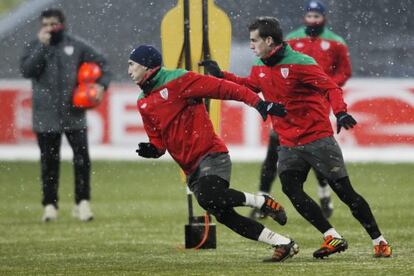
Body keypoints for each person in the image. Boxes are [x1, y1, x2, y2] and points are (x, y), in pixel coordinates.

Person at [200, 17, 391, 258]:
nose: (251, 45)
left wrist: (340, 112)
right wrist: (222, 75)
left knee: (345, 192)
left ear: (269, 40)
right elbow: (251, 85)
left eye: (254, 40)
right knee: (291, 189)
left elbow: (331, 87)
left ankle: (379, 240)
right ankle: (332, 236)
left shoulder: (301, 63)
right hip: (288, 142)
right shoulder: (260, 64)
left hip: (318, 138)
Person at [129, 45, 299, 262]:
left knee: (210, 197)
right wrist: (153, 150)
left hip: (211, 155)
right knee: (223, 214)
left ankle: (261, 201)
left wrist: (259, 103)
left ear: (147, 66)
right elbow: (159, 143)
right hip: (191, 168)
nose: (128, 70)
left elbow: (224, 88)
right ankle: (283, 243)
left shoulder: (180, 80)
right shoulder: (143, 102)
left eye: (131, 64)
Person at [250, 0, 352, 220]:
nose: (313, 20)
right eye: (310, 16)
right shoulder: (293, 40)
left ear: (324, 18)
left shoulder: (336, 42)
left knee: (314, 153)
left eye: (317, 17)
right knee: (272, 156)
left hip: (314, 107)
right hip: (286, 109)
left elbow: (343, 73)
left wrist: (321, 89)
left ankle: (324, 194)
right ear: (304, 17)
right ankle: (262, 198)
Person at [20, 9, 111, 222]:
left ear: (62, 24)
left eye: (53, 24)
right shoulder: (35, 46)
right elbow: (27, 71)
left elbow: (104, 64)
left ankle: (83, 203)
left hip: (74, 113)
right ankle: (50, 205)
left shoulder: (76, 45)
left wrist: (100, 85)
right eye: (46, 24)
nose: (50, 28)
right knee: (49, 162)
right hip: (46, 115)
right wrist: (42, 47)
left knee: (82, 160)